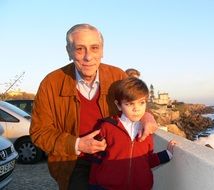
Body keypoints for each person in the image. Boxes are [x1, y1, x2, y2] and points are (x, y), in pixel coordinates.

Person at [29, 23, 158, 190]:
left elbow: (136, 102)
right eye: (80, 49)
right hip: (74, 163)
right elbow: (39, 132)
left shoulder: (117, 76)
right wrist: (77, 144)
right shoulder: (51, 83)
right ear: (69, 51)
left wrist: (147, 115)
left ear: (102, 50)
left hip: (113, 159)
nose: (88, 57)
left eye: (94, 48)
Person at [88, 77, 176, 190]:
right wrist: (93, 185)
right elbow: (97, 159)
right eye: (129, 104)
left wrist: (167, 154)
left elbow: (146, 160)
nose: (136, 109)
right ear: (119, 105)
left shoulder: (146, 130)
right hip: (108, 187)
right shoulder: (107, 127)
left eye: (141, 103)